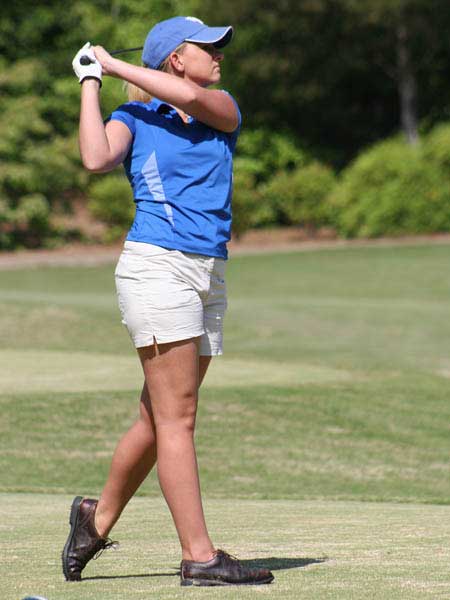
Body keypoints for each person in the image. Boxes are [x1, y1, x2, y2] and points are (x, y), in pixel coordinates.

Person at [63, 16, 274, 587]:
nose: (220, 54)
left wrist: (112, 63)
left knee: (158, 417)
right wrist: (90, 82)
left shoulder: (219, 106)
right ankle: (200, 558)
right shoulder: (132, 117)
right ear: (177, 56)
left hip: (209, 272)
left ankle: (95, 518)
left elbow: (184, 95)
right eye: (208, 47)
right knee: (178, 418)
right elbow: (95, 158)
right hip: (157, 267)